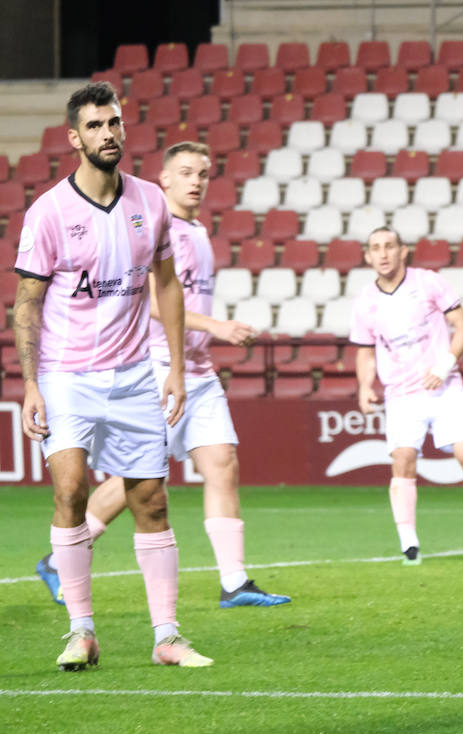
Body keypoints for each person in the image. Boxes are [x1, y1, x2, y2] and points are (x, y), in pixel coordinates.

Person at [33, 141, 289, 610]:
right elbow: (152, 300)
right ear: (164, 179)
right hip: (154, 365)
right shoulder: (152, 225)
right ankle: (59, 556)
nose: (197, 181)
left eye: (204, 173)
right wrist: (217, 327)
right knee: (140, 479)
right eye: (187, 172)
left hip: (199, 370)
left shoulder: (198, 231)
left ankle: (235, 582)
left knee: (222, 463)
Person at [13, 82, 211, 670]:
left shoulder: (150, 201)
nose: (108, 134)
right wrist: (30, 383)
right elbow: (26, 303)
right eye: (95, 126)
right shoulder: (48, 212)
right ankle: (81, 631)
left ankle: (168, 636)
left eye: (114, 123)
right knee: (70, 489)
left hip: (132, 375)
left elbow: (167, 283)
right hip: (67, 375)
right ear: (74, 138)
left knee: (151, 500)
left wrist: (174, 366)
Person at [350, 225, 463, 564]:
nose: (383, 253)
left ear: (403, 250)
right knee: (402, 461)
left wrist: (445, 365)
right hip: (401, 395)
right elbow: (364, 350)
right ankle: (409, 544)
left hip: (444, 386)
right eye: (376, 248)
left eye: (389, 246)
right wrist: (364, 386)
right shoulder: (366, 302)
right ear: (367, 256)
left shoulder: (428, 282)